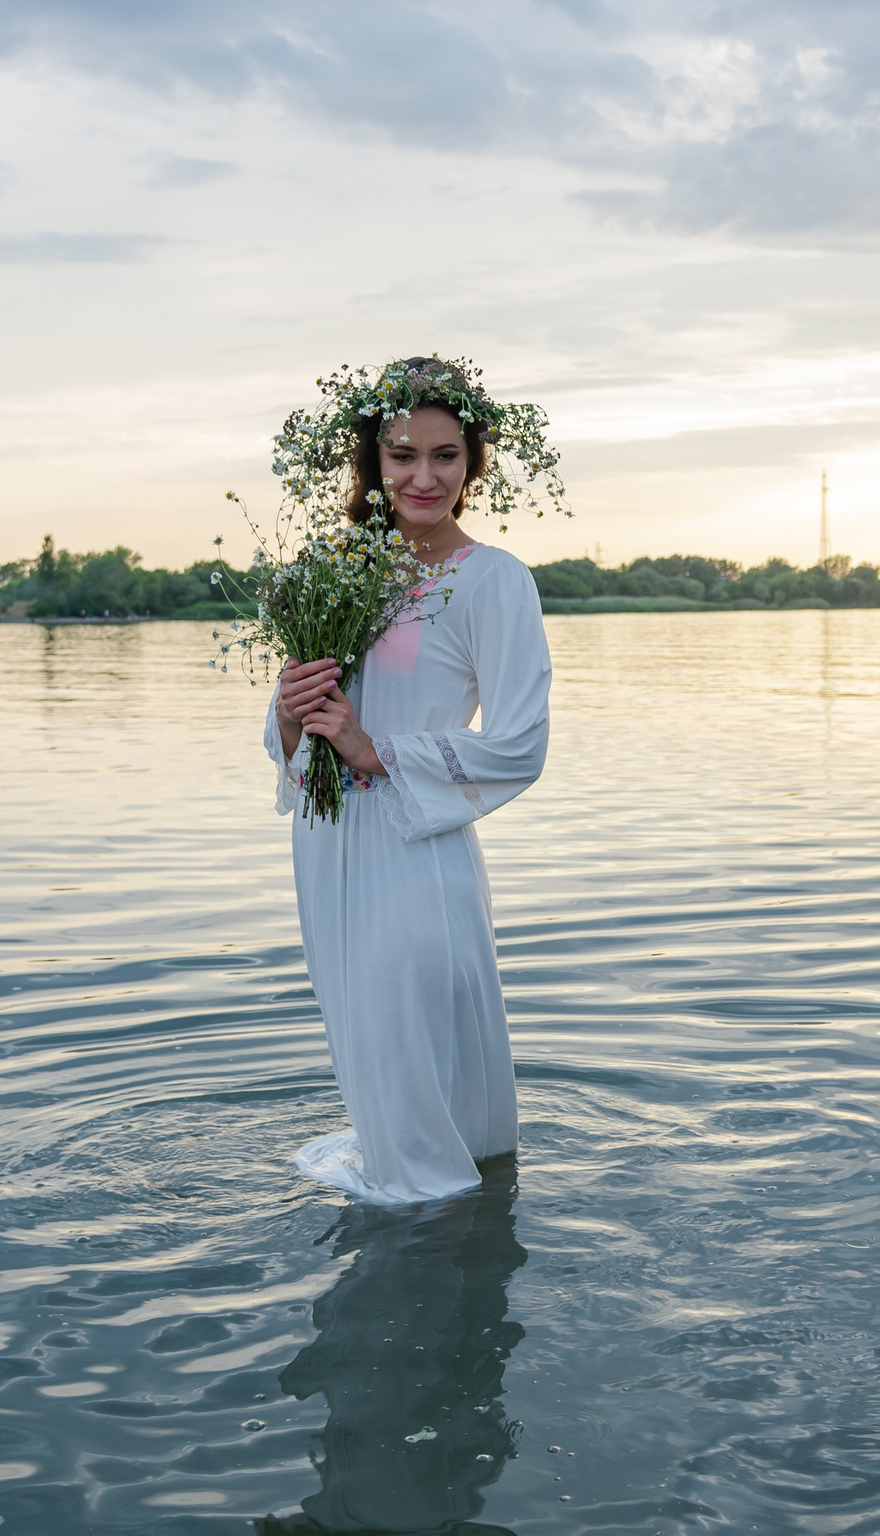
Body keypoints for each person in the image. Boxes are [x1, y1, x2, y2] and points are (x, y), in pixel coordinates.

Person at [264, 366, 551, 1206]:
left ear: (474, 463)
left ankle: (443, 1251)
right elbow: (298, 735)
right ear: (372, 461)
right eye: (402, 455)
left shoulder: (492, 580)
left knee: (413, 1039)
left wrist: (372, 747)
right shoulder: (333, 568)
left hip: (415, 845)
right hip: (327, 845)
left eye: (445, 455)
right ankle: (434, 1211)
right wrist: (291, 713)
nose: (423, 477)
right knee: (369, 1046)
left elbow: (519, 743)